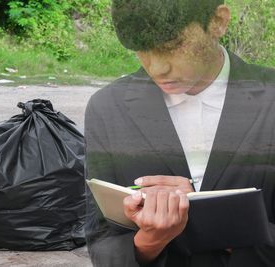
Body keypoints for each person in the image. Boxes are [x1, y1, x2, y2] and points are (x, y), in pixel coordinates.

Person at [84, 0, 275, 266]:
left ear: (218, 22)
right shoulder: (108, 108)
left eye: (173, 46)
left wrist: (206, 219)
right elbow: (101, 242)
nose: (157, 68)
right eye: (142, 50)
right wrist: (150, 241)